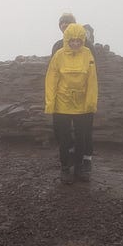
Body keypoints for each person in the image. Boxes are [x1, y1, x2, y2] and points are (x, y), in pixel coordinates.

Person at [45, 23, 98, 184]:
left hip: (82, 105)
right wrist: (50, 102)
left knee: (81, 138)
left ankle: (80, 168)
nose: (75, 43)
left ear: (82, 40)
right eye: (72, 40)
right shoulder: (59, 55)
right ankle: (65, 168)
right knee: (64, 138)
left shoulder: (88, 54)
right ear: (66, 39)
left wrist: (90, 103)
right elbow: (51, 79)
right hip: (62, 103)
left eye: (78, 40)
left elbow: (92, 80)